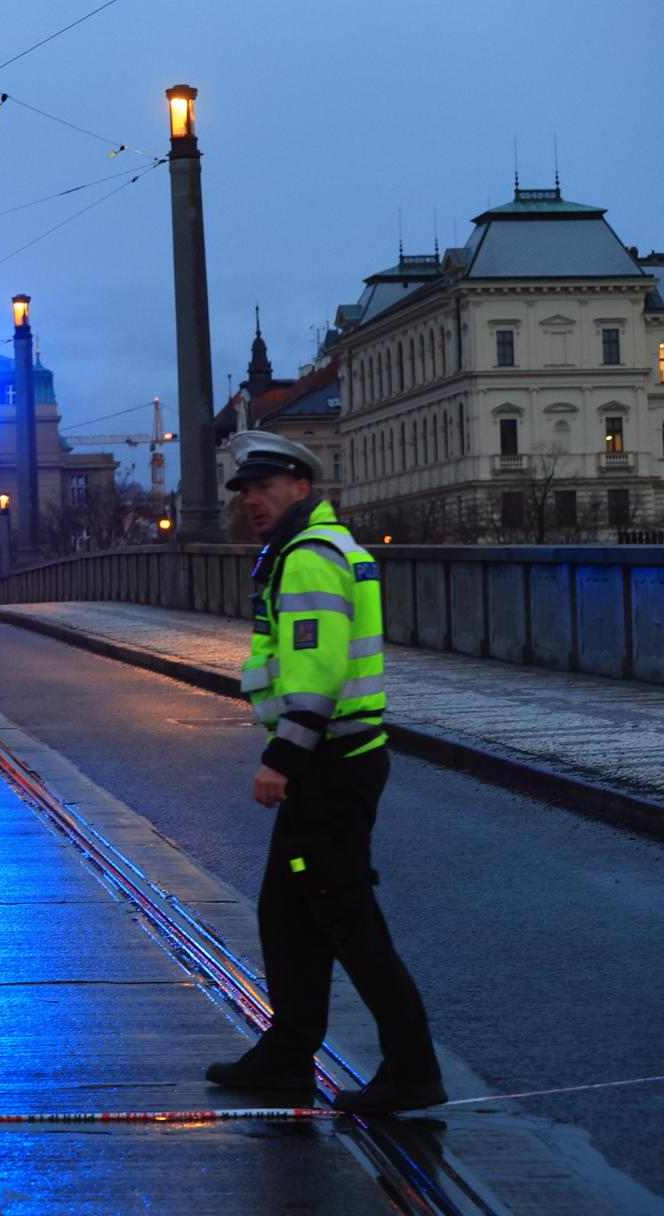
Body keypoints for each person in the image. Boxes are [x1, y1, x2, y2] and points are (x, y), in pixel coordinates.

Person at [205, 431, 444, 1115]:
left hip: (329, 760)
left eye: (263, 487)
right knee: (289, 913)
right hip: (337, 755)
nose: (251, 500)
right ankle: (288, 1054)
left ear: (301, 487)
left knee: (343, 915)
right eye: (244, 490)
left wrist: (282, 757)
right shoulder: (304, 550)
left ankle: (412, 1068)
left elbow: (318, 670)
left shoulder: (309, 559)